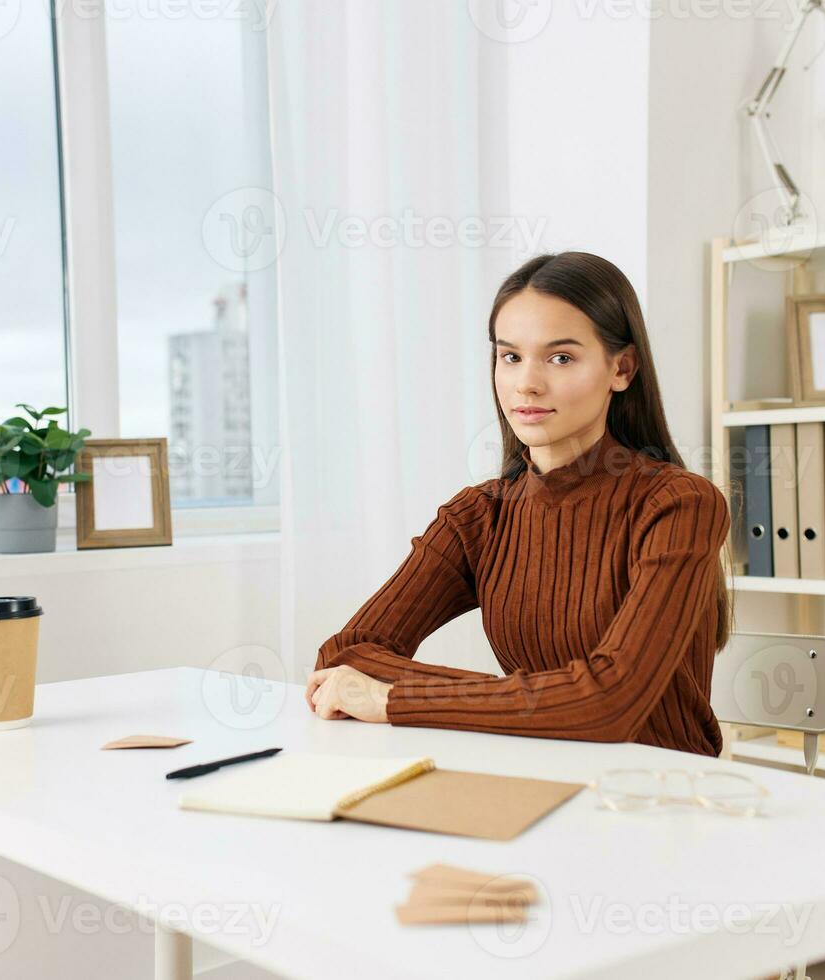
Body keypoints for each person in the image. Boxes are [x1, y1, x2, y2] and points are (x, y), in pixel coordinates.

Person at [303, 251, 733, 756]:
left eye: (561, 358)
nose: (526, 382)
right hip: (538, 776)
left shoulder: (679, 504)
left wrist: (395, 698)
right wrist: (529, 701)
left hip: (662, 797)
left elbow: (610, 702)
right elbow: (347, 653)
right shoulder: (481, 516)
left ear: (622, 368)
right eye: (510, 356)